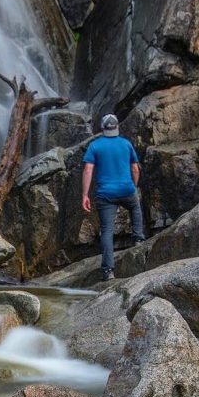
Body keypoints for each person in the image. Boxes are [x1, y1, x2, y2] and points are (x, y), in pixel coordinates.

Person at [81, 113, 145, 281]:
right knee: (135, 207)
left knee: (107, 231)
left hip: (105, 195)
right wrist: (134, 186)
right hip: (126, 190)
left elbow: (88, 170)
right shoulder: (126, 144)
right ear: (117, 127)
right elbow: (135, 169)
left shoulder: (95, 146)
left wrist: (85, 195)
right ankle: (138, 238)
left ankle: (108, 271)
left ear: (103, 128)